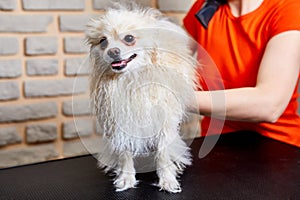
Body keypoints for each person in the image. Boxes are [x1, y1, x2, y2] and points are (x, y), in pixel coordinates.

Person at [183, 0, 300, 147]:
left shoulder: (288, 9)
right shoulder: (206, 7)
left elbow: (270, 105)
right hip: (215, 142)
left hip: (277, 146)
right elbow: (170, 57)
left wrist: (176, 98)